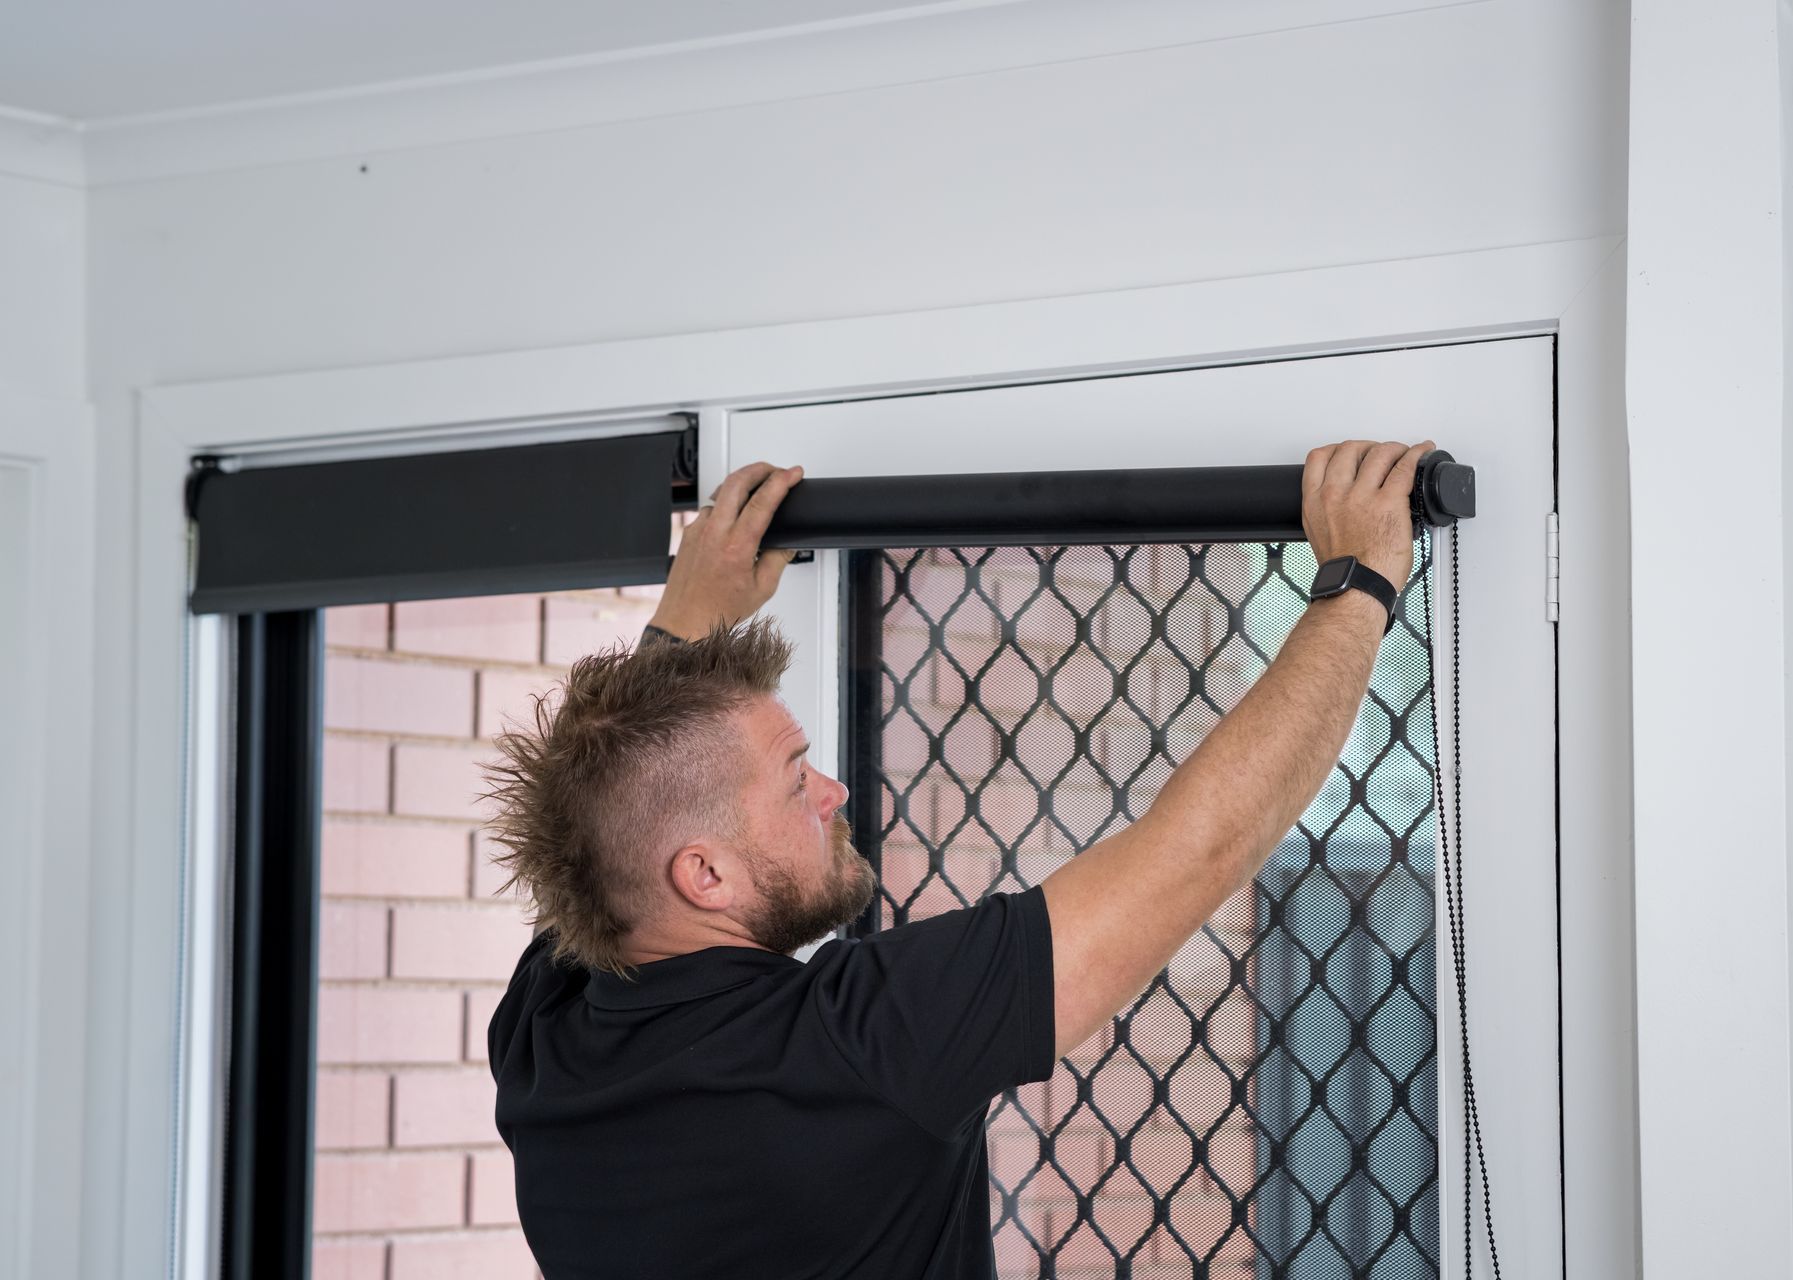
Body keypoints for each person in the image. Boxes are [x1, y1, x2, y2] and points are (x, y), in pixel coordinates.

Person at [485, 442, 1431, 1279]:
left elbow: (601, 822)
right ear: (705, 876)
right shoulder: (847, 1052)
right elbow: (1196, 850)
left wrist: (691, 611)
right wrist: (1359, 586)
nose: (833, 792)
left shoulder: (545, 1041)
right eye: (795, 781)